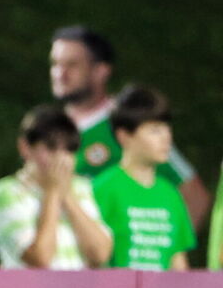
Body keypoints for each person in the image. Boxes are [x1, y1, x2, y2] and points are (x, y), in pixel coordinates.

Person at [49, 25, 210, 228]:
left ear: (101, 71)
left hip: (120, 258)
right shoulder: (48, 129)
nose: (60, 74)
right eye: (55, 64)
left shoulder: (131, 122)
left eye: (72, 65)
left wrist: (166, 251)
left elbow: (195, 196)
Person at [0, 105, 113, 270]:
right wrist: (52, 193)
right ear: (25, 147)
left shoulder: (82, 188)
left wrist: (66, 196)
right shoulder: (7, 192)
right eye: (51, 148)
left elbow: (101, 253)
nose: (61, 158)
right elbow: (41, 258)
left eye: (68, 150)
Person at [92, 85, 195, 270]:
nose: (166, 137)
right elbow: (91, 257)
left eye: (167, 128)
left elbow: (178, 264)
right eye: (155, 130)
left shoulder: (170, 194)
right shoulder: (102, 189)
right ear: (124, 136)